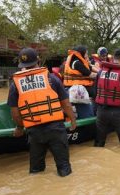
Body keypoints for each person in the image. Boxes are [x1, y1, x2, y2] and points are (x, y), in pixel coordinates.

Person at [8, 48, 76, 177]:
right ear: (38, 60)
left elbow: (15, 113)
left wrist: (19, 127)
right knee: (64, 169)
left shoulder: (15, 85)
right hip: (56, 128)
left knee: (36, 171)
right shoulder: (52, 79)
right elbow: (66, 104)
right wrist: (73, 120)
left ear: (22, 65)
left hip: (34, 132)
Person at [93, 48, 120, 148]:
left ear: (113, 58)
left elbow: (95, 91)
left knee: (99, 144)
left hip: (101, 112)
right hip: (118, 112)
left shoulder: (100, 72)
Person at [63, 46, 96, 118]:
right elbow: (91, 74)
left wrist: (101, 71)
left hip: (77, 87)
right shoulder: (77, 63)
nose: (87, 55)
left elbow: (90, 68)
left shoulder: (77, 61)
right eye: (86, 54)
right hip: (76, 88)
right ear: (82, 53)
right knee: (97, 92)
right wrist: (102, 75)